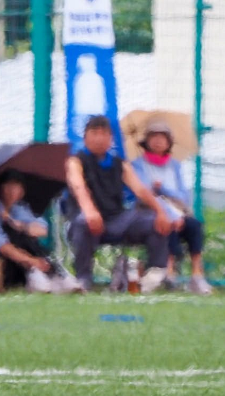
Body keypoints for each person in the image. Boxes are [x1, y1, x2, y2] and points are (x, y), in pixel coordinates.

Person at [65, 115, 172, 293]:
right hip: (86, 220)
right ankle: (83, 279)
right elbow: (78, 187)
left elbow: (141, 190)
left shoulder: (120, 164)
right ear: (85, 137)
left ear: (111, 139)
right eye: (94, 133)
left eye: (104, 134)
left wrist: (161, 212)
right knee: (84, 222)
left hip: (117, 220)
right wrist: (91, 211)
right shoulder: (75, 161)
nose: (99, 138)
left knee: (154, 221)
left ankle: (153, 276)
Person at [129, 120, 211, 295]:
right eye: (153, 136)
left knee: (194, 225)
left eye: (162, 137)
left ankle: (197, 275)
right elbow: (143, 193)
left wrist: (163, 189)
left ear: (169, 142)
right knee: (166, 225)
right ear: (146, 141)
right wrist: (167, 212)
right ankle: (169, 272)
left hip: (177, 212)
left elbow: (183, 196)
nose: (158, 141)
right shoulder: (137, 165)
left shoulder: (175, 166)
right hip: (149, 213)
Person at [0, 171, 69, 292]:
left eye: (16, 186)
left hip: (12, 259)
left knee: (24, 237)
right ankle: (42, 273)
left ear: (22, 191)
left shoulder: (19, 209)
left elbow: (41, 230)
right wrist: (31, 261)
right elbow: (0, 246)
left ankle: (48, 273)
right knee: (18, 238)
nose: (12, 191)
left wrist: (16, 224)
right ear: (0, 188)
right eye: (8, 186)